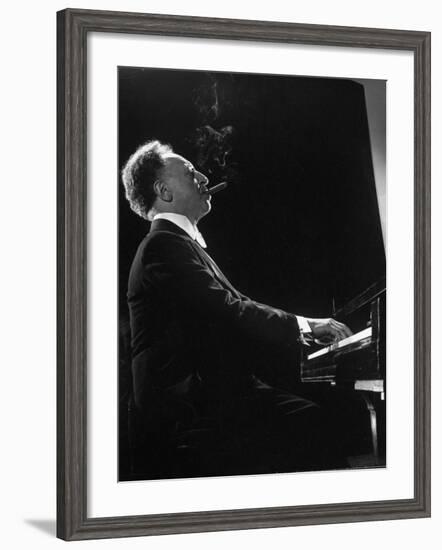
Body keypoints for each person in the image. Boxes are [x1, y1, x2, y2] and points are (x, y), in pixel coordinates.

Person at [121, 139, 352, 479]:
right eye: (189, 172)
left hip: (215, 397)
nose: (203, 176)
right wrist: (304, 326)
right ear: (164, 191)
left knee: (314, 419)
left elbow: (226, 317)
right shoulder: (161, 245)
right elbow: (228, 311)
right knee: (314, 424)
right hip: (191, 412)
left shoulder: (177, 244)